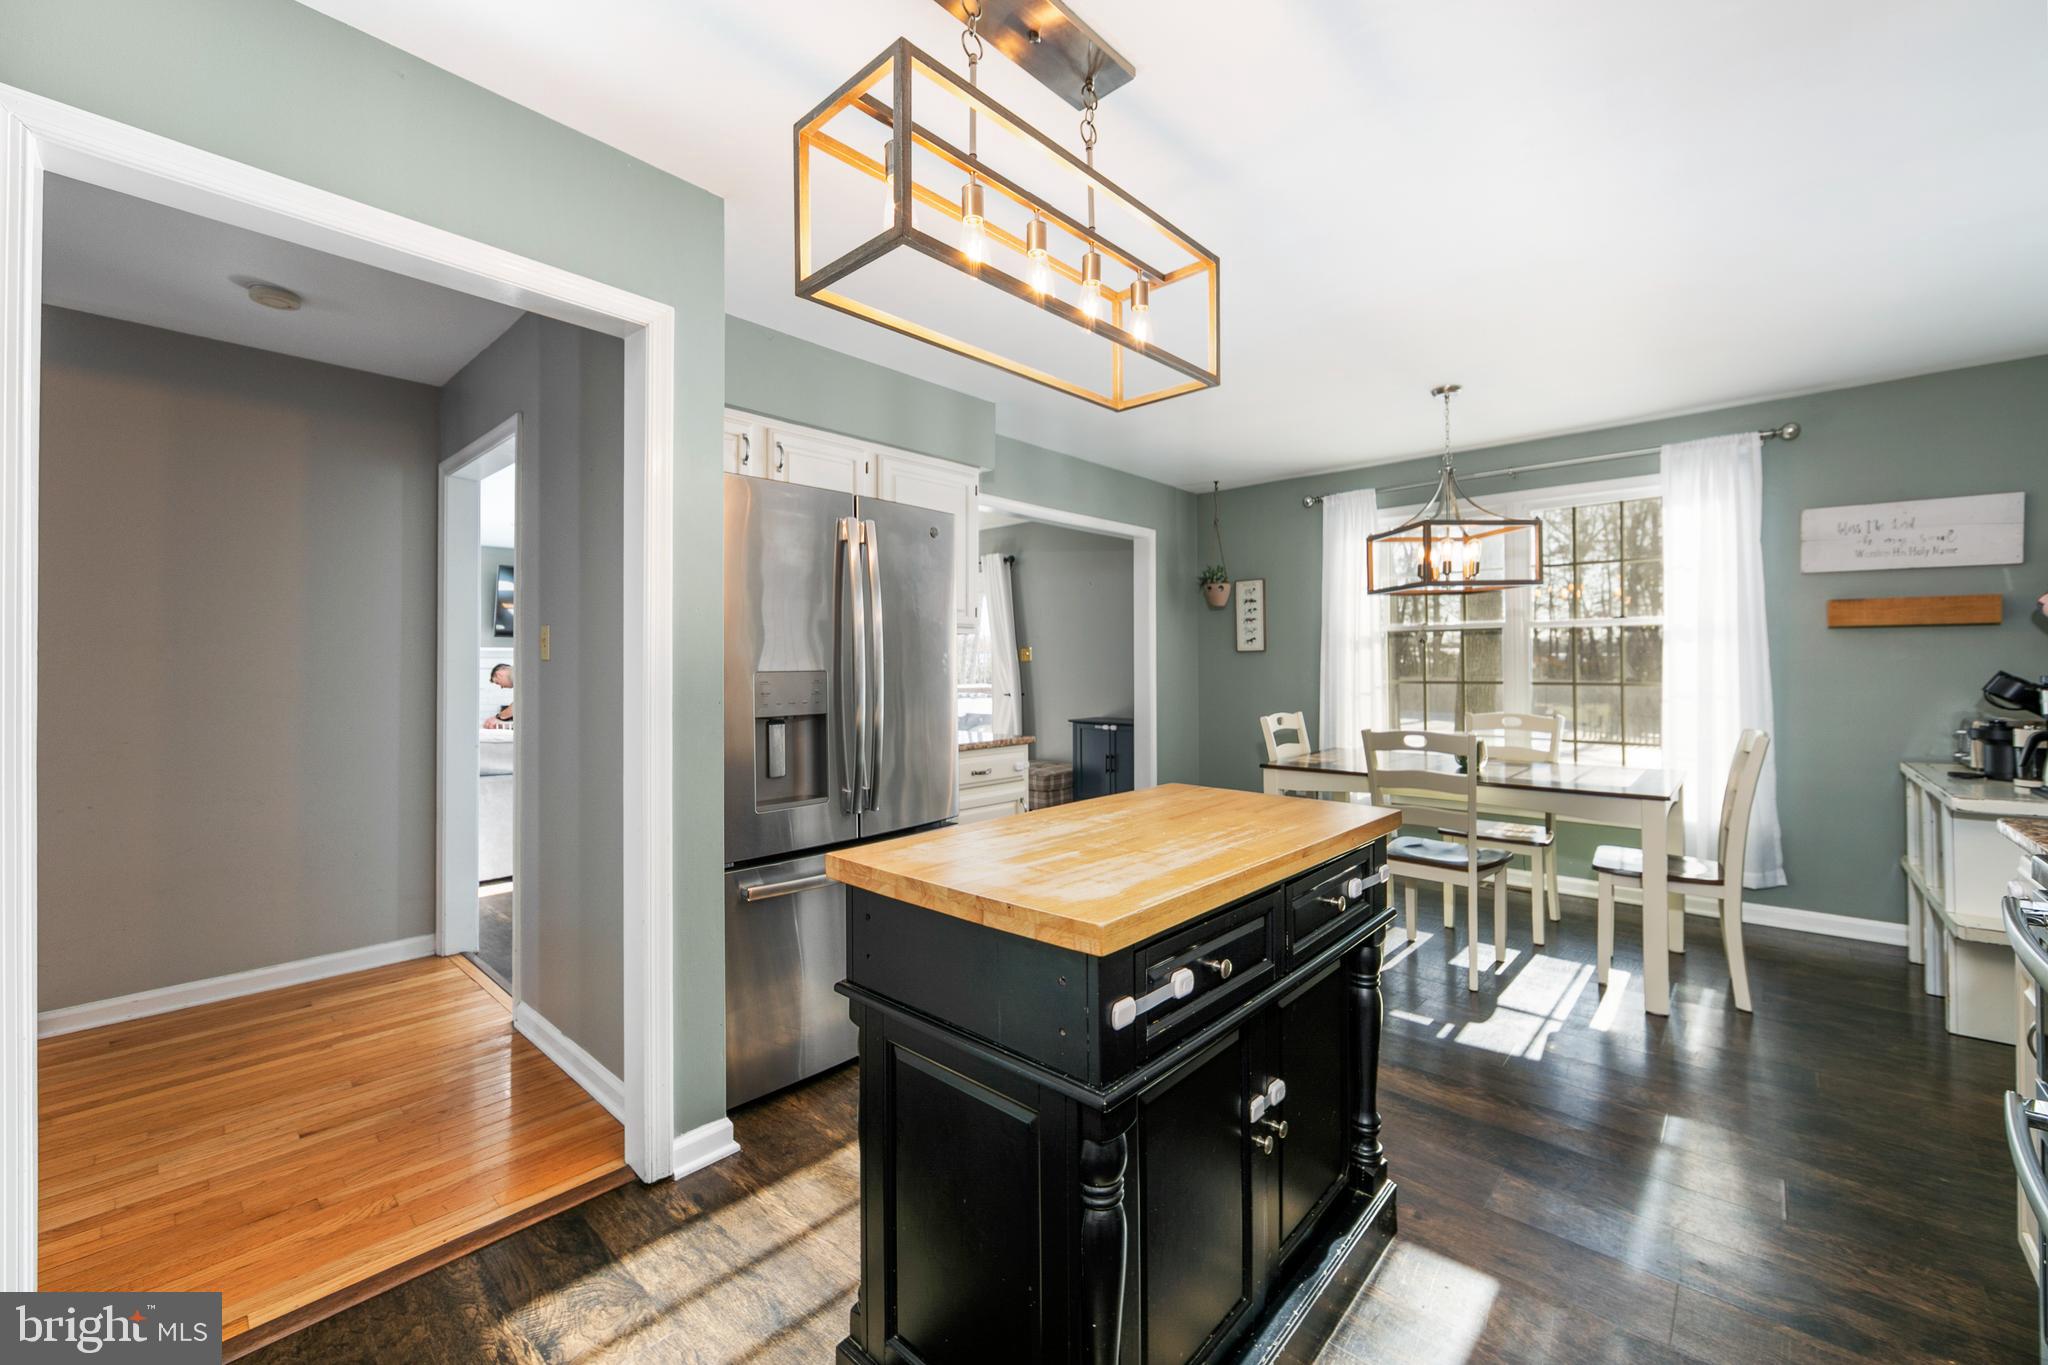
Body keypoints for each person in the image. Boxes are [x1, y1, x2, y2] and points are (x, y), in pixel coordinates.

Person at [484, 663, 514, 729]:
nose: (502, 687)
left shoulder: (518, 674)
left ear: (499, 674)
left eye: (497, 683)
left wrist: (498, 717)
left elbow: (520, 704)